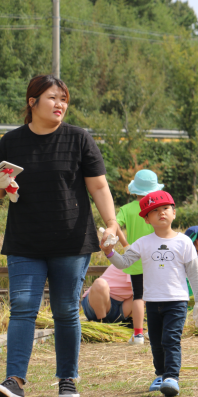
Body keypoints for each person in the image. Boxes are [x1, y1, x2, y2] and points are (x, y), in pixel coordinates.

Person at [0, 75, 119, 397]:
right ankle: (15, 381)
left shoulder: (79, 139)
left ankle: (67, 380)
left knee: (65, 309)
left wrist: (111, 222)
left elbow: (98, 185)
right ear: (32, 102)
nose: (60, 104)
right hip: (25, 242)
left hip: (71, 240)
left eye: (63, 99)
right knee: (23, 304)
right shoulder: (10, 142)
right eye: (53, 98)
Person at [102, 190, 198, 396]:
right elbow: (124, 263)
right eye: (155, 211)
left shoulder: (184, 242)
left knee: (171, 339)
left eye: (166, 208)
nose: (161, 213)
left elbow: (194, 273)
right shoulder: (143, 243)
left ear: (174, 213)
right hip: (152, 302)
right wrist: (109, 252)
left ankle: (172, 377)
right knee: (157, 341)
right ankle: (160, 375)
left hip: (176, 301)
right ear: (147, 219)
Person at [114, 169, 165, 345]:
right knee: (157, 296)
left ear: (134, 189)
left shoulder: (126, 209)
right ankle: (155, 332)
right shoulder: (157, 209)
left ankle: (138, 335)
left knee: (138, 296)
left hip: (136, 257)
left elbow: (115, 225)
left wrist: (125, 244)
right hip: (157, 257)